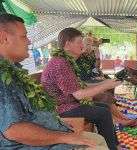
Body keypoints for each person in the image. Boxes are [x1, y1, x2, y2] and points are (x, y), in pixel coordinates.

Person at [0, 14, 109, 150]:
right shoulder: (4, 76)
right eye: (24, 36)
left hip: (53, 124)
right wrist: (66, 137)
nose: (29, 41)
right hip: (44, 129)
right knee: (97, 135)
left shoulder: (12, 71)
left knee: (98, 131)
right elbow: (13, 130)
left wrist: (61, 128)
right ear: (3, 37)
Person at [41, 27, 122, 150]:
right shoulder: (60, 63)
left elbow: (80, 87)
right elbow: (78, 94)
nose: (82, 45)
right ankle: (112, 147)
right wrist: (105, 85)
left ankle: (114, 145)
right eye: (79, 42)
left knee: (104, 107)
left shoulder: (64, 61)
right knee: (103, 112)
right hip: (61, 108)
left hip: (68, 104)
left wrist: (105, 82)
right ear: (68, 44)